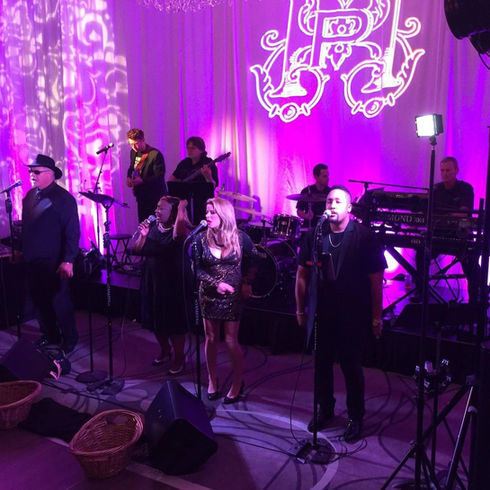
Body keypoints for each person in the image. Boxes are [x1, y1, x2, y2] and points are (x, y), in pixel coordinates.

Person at [295, 185, 386, 442]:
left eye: (337, 201)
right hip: (322, 313)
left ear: (349, 207)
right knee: (321, 364)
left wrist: (376, 317)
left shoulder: (364, 237)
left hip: (352, 313)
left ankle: (355, 417)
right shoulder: (315, 235)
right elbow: (302, 274)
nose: (332, 205)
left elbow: (376, 281)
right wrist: (300, 309)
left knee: (351, 366)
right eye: (329, 201)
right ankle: (325, 408)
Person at [192, 197, 260, 404]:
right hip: (209, 294)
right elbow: (196, 269)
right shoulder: (200, 239)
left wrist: (247, 282)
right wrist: (215, 283)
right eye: (206, 211)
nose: (207, 216)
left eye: (212, 212)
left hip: (233, 295)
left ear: (224, 214)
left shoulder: (241, 238)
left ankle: (237, 382)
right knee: (211, 338)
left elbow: (255, 260)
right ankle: (212, 379)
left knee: (231, 340)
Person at [21, 154, 80, 353]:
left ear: (51, 174)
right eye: (31, 171)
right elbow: (27, 228)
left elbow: (72, 232)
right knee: (39, 301)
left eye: (36, 171)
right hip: (33, 259)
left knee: (59, 302)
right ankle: (50, 334)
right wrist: (20, 250)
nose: (32, 175)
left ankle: (69, 338)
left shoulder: (64, 199)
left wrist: (68, 260)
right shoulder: (30, 196)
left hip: (54, 260)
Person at [131, 196, 191, 374]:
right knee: (155, 319)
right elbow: (137, 249)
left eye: (161, 208)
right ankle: (165, 349)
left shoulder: (180, 229)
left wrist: (181, 208)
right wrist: (143, 236)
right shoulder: (152, 227)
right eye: (157, 207)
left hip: (173, 282)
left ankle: (179, 357)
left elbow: (178, 236)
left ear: (173, 213)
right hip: (152, 279)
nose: (157, 211)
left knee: (174, 322)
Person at [412, 156, 480, 303]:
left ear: (456, 170)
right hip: (438, 235)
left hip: (460, 236)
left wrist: (442, 216)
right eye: (442, 170)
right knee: (421, 253)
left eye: (448, 170)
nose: (445, 174)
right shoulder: (436, 189)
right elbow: (425, 210)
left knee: (471, 263)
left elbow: (463, 213)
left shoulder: (465, 188)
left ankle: (475, 301)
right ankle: (420, 293)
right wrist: (415, 220)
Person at [168, 137, 219, 224]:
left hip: (202, 203)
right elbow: (171, 180)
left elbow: (213, 185)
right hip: (184, 203)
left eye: (193, 148)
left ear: (201, 150)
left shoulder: (208, 163)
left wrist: (208, 177)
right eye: (188, 148)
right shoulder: (184, 163)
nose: (189, 151)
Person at [126, 128, 167, 222]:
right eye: (131, 144)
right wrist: (128, 176)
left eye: (136, 143)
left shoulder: (155, 154)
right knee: (143, 222)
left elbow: (159, 176)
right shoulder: (133, 152)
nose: (134, 147)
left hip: (154, 196)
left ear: (143, 140)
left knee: (155, 223)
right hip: (141, 195)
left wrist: (143, 180)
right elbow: (132, 167)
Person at [296, 163, 330, 227]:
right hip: (310, 225)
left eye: (328, 176)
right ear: (316, 177)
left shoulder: (330, 192)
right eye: (324, 176)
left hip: (326, 225)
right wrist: (306, 216)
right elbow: (299, 211)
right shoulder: (307, 191)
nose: (327, 178)